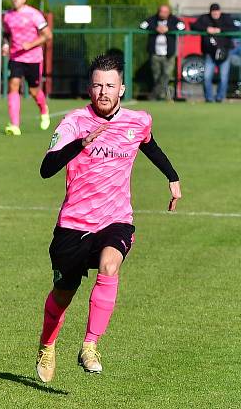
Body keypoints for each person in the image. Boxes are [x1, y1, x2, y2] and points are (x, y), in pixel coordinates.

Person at [34, 53, 181, 382]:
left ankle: (90, 345)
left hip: (116, 218)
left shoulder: (138, 120)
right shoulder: (73, 122)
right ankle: (47, 344)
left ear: (122, 89)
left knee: (110, 265)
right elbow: (46, 170)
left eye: (110, 86)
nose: (103, 91)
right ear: (89, 89)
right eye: (98, 85)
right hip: (74, 223)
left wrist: (172, 177)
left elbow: (150, 145)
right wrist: (80, 144)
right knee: (64, 292)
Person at [2, 0, 52, 136]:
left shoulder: (34, 14)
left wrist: (30, 45)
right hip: (16, 57)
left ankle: (44, 109)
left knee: (33, 91)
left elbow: (47, 35)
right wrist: (5, 45)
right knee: (13, 86)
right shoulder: (8, 16)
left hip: (33, 58)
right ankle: (15, 125)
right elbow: (6, 34)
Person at [190, 3, 238, 103]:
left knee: (223, 77)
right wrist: (207, 29)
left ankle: (220, 98)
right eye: (213, 12)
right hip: (210, 53)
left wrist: (220, 30)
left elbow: (234, 29)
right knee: (207, 76)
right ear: (210, 12)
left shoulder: (226, 18)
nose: (215, 13)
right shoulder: (205, 18)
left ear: (220, 11)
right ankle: (209, 98)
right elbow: (193, 26)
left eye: (217, 11)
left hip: (224, 52)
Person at [139, 4, 185, 101]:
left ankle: (157, 95)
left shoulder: (174, 20)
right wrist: (155, 28)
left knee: (166, 74)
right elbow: (142, 25)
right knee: (156, 76)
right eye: (161, 11)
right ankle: (161, 95)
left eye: (165, 12)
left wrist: (168, 29)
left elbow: (182, 27)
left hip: (169, 54)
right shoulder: (153, 19)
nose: (163, 14)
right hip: (155, 53)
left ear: (169, 12)